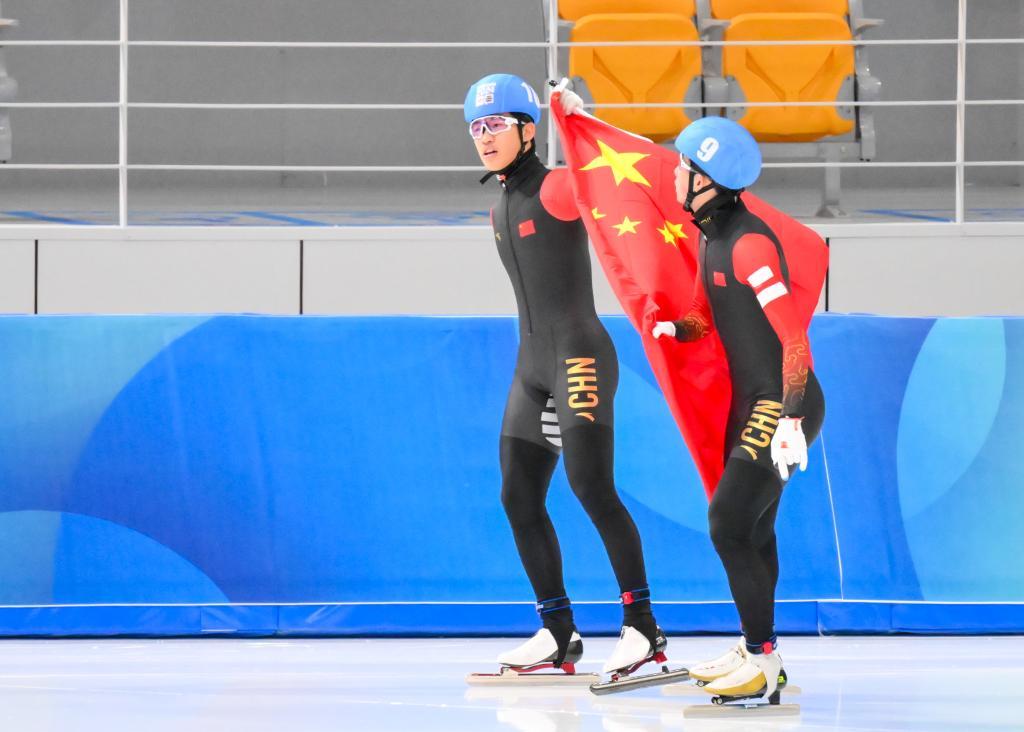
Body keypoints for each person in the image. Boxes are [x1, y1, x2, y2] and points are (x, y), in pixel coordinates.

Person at [464, 73, 665, 678]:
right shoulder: (499, 204)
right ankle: (557, 631)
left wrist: (586, 124)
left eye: (497, 124)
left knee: (591, 486)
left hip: (579, 355)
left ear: (529, 130)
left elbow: (618, 180)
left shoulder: (555, 186)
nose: (484, 137)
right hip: (532, 366)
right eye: (476, 127)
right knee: (517, 496)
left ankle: (643, 627)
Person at [647, 116, 827, 702]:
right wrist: (674, 329)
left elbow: (794, 339)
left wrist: (792, 417)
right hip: (751, 402)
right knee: (754, 529)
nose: (675, 174)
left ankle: (762, 659)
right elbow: (704, 314)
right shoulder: (710, 236)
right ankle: (758, 650)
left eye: (683, 166)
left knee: (727, 524)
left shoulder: (750, 245)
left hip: (782, 401)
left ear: (707, 180)